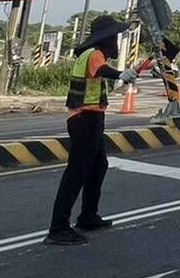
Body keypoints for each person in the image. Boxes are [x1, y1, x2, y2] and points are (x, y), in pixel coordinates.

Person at [44, 15, 138, 245]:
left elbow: (100, 71)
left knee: (98, 166)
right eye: (114, 36)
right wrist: (120, 75)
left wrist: (127, 72)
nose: (116, 42)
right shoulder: (94, 55)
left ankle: (88, 216)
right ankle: (58, 228)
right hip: (85, 120)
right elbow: (101, 70)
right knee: (76, 173)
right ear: (105, 38)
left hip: (91, 118)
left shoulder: (90, 54)